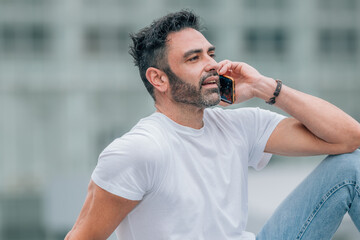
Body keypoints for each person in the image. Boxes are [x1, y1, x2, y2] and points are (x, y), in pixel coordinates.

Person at [65, 10, 360, 240]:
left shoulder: (240, 126)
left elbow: (348, 138)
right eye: (194, 58)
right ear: (159, 79)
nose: (212, 65)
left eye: (211, 54)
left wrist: (262, 86)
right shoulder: (139, 150)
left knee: (352, 167)